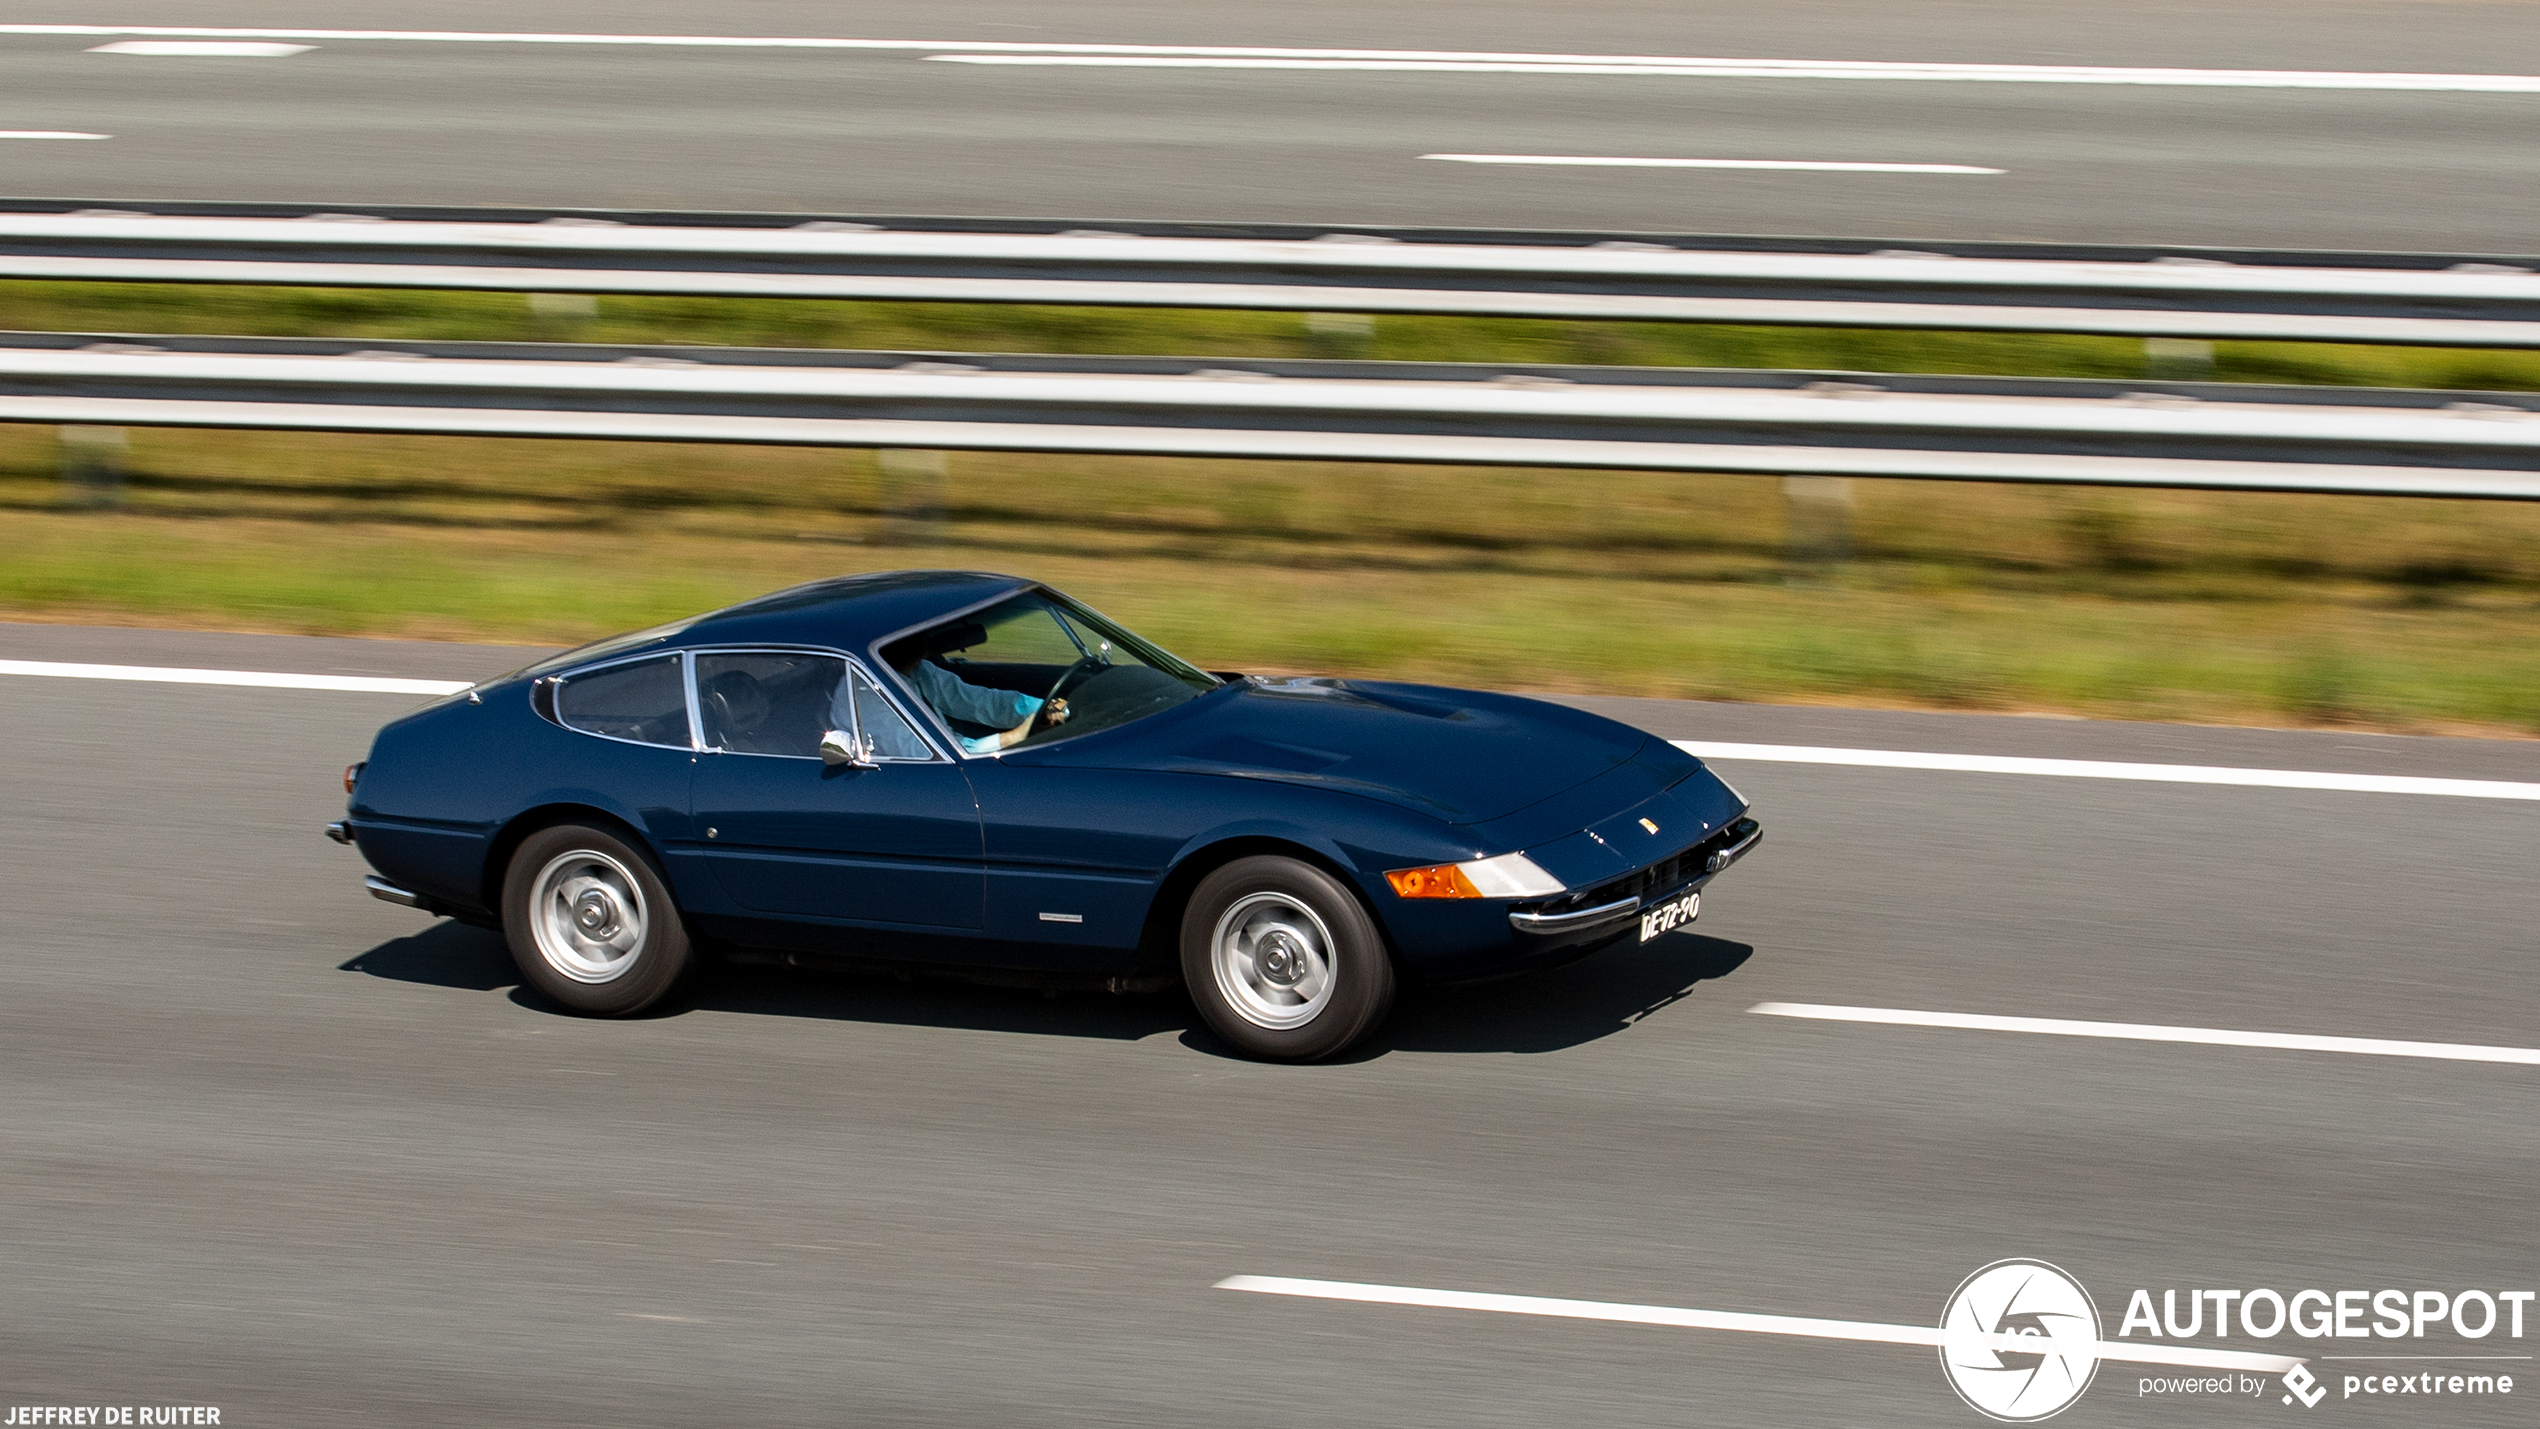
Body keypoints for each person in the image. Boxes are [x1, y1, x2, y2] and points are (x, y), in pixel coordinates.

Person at [843, 656, 1069, 756]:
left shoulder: (917, 669)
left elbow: (976, 700)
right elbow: (928, 753)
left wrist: (1045, 708)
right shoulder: (864, 700)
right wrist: (1013, 738)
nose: (924, 643)